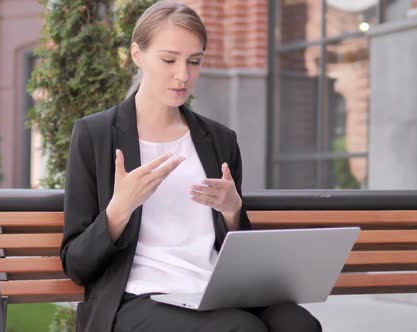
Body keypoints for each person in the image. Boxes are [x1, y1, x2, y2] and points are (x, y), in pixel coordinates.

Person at [61, 2, 322, 331]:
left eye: (194, 61)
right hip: (135, 299)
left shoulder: (218, 139)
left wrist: (231, 211)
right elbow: (75, 263)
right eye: (169, 60)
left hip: (214, 292)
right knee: (242, 329)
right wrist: (119, 210)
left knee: (298, 323)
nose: (182, 75)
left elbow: (237, 251)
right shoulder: (95, 135)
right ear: (137, 55)